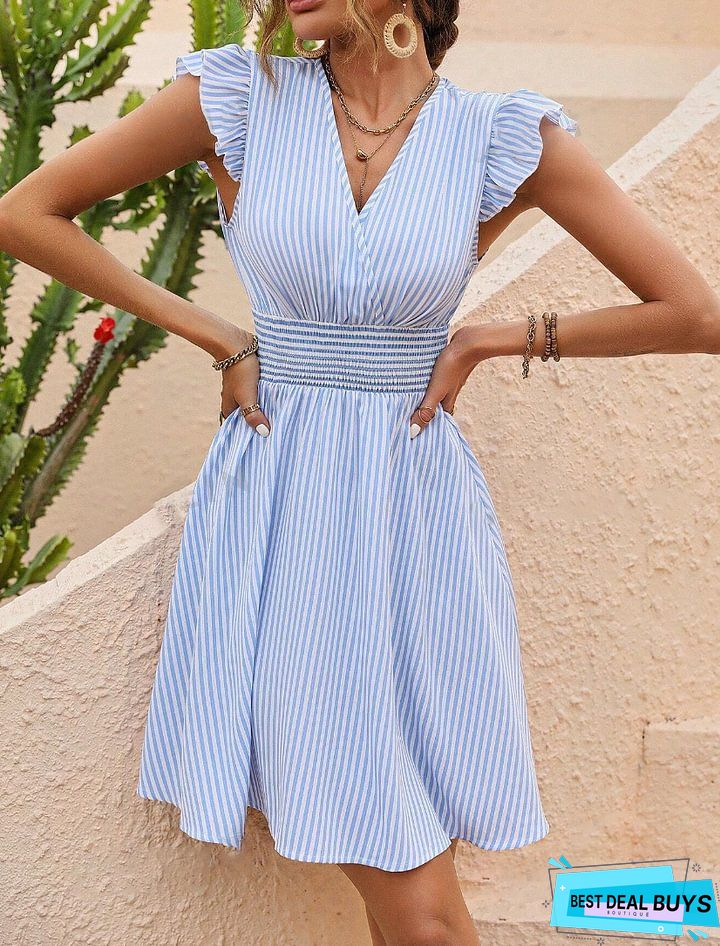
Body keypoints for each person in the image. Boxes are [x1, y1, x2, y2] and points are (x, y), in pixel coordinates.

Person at [1, 1, 718, 944]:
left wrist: (491, 338)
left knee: (414, 890)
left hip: (411, 514)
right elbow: (25, 214)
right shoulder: (239, 99)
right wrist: (217, 334)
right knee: (410, 890)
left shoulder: (500, 137)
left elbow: (693, 313)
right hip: (277, 510)